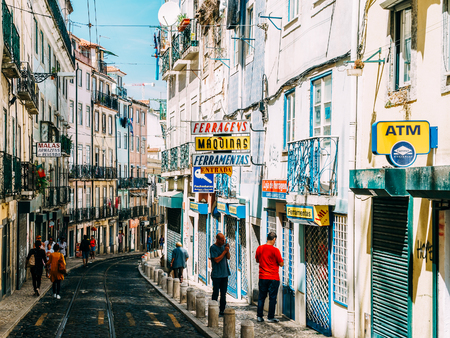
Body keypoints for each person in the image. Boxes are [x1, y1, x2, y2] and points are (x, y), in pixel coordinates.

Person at [255, 231, 284, 323]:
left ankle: (259, 316)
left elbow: (257, 260)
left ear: (267, 238)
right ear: (274, 239)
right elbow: (281, 264)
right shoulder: (275, 251)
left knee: (261, 297)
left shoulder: (260, 248)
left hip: (263, 277)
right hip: (273, 278)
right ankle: (270, 317)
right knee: (272, 298)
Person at [209, 233, 231, 316]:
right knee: (215, 293)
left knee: (223, 293)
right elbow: (216, 260)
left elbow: (228, 257)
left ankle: (222, 310)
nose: (223, 241)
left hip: (225, 274)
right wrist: (224, 251)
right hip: (216, 274)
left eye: (224, 240)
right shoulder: (213, 248)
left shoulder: (224, 247)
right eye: (222, 240)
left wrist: (227, 250)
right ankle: (213, 309)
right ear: (217, 239)